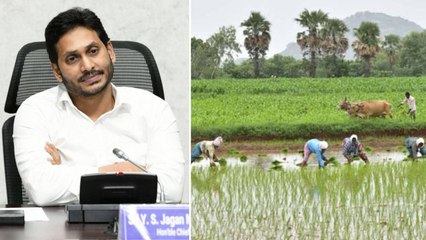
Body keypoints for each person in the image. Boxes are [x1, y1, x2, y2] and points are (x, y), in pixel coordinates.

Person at [13, 8, 185, 206]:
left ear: (110, 52)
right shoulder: (35, 111)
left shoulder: (154, 108)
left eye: (93, 51)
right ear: (57, 71)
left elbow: (170, 189)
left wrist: (66, 172)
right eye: (72, 58)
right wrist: (128, 171)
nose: (87, 66)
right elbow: (42, 190)